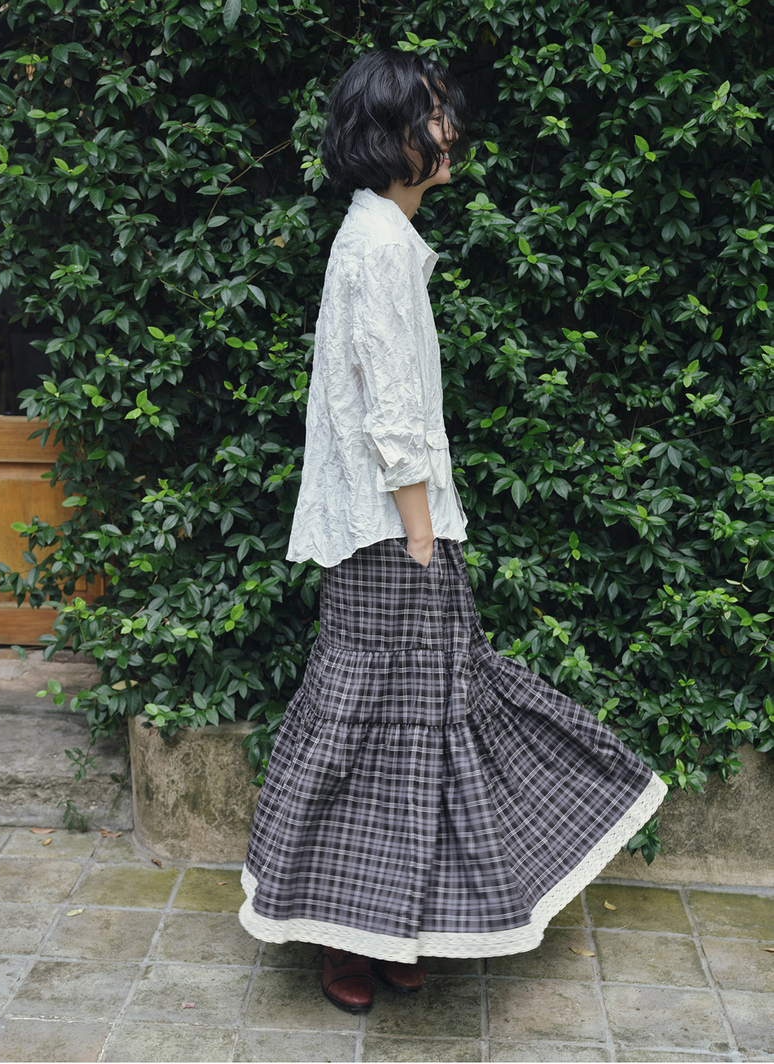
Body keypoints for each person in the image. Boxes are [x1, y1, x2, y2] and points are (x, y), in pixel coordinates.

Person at [238, 49, 667, 1013]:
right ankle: (342, 932)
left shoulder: (382, 235)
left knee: (415, 730)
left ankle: (388, 925)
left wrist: (426, 527)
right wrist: (424, 539)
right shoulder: (378, 245)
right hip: (391, 534)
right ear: (388, 135)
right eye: (431, 117)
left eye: (444, 113)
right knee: (366, 726)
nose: (449, 130)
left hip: (398, 525)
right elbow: (390, 413)